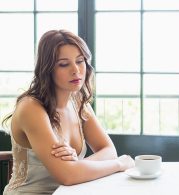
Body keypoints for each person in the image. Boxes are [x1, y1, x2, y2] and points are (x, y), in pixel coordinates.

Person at [1, 29, 135, 195]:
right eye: (64, 64)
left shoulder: (78, 102)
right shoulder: (31, 108)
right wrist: (119, 164)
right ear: (47, 69)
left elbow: (109, 150)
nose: (76, 70)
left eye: (80, 61)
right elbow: (68, 176)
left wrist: (76, 166)